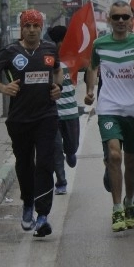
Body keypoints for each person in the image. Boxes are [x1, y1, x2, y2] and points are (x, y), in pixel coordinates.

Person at [0, 9, 62, 238]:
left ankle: (43, 215)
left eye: (36, 26)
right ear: (21, 28)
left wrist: (58, 88)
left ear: (41, 27)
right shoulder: (10, 52)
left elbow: (58, 72)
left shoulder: (49, 49)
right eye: (27, 26)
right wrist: (3, 88)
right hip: (20, 119)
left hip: (46, 116)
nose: (32, 30)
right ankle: (28, 202)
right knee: (25, 164)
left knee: (45, 163)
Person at [84, 1, 134, 233]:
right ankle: (117, 207)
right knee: (114, 155)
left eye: (124, 17)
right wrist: (90, 91)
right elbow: (92, 68)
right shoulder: (99, 44)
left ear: (131, 20)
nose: (120, 21)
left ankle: (130, 202)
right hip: (109, 107)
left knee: (131, 159)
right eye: (116, 17)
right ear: (109, 19)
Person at [46, 26, 80, 196]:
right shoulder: (47, 60)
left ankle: (72, 153)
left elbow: (91, 68)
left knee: (71, 146)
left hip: (72, 112)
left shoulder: (74, 58)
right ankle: (61, 181)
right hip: (53, 113)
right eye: (60, 42)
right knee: (56, 149)